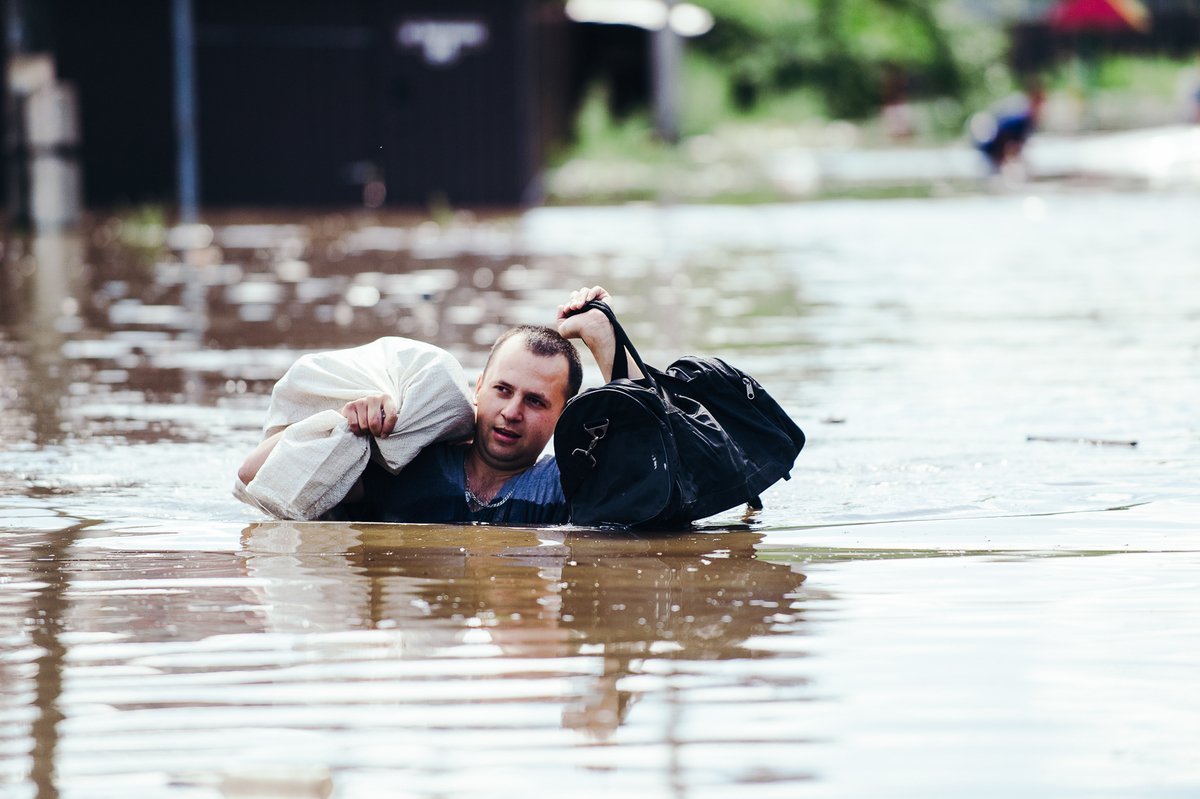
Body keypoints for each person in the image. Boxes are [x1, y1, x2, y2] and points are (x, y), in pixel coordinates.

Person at [238, 285, 630, 525]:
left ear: (564, 414)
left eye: (535, 401)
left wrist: (604, 338)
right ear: (478, 388)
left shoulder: (567, 486)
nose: (512, 412)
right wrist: (347, 421)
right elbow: (254, 476)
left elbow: (663, 468)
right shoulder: (405, 461)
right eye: (503, 390)